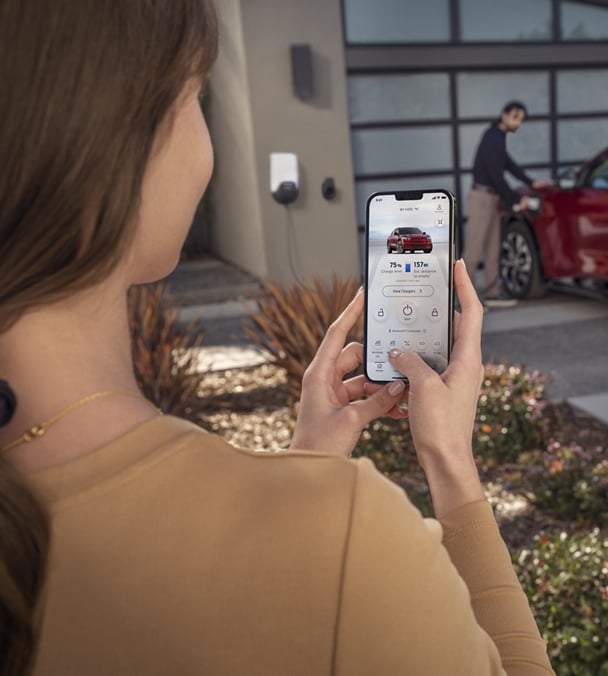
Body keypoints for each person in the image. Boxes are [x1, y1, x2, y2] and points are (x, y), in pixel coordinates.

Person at [0, 2, 554, 675]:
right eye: (195, 95)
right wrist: (449, 462)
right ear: (115, 147)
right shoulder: (346, 537)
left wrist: (310, 463)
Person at [465, 101, 554, 308]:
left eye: (521, 119)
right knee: (473, 251)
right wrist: (516, 199)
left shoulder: (499, 137)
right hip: (481, 198)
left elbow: (509, 165)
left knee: (493, 247)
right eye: (515, 117)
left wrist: (531, 182)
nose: (518, 123)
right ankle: (465, 301)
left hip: (493, 198)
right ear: (504, 115)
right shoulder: (492, 138)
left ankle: (492, 293)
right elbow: (497, 176)